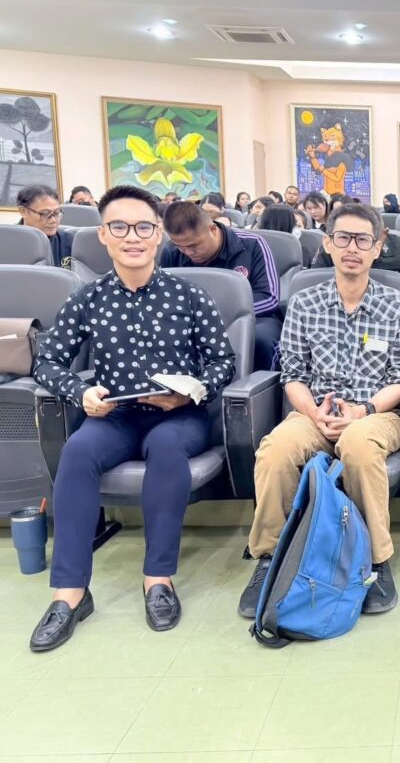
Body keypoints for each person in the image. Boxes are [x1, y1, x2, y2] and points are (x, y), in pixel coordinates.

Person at [28, 185, 235, 651]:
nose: (132, 237)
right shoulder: (89, 298)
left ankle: (158, 580)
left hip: (178, 417)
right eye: (119, 227)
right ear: (103, 235)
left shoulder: (189, 296)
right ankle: (69, 594)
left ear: (158, 233)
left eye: (143, 227)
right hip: (115, 416)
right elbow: (47, 362)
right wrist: (81, 392)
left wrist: (188, 393)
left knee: (165, 448)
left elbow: (223, 362)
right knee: (77, 452)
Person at [238, 203, 400, 619]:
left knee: (359, 446)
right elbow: (293, 374)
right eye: (343, 238)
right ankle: (269, 557)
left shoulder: (396, 305)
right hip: (314, 412)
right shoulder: (305, 303)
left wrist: (364, 409)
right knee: (276, 450)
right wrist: (313, 413)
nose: (352, 248)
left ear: (377, 248)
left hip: (375, 413)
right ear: (327, 244)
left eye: (362, 240)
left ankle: (375, 561)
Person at [161, 201, 282, 371]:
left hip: (253, 318)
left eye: (193, 245)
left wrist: (214, 315)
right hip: (191, 320)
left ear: (212, 229)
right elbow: (165, 298)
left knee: (261, 339)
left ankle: (261, 386)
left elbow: (269, 298)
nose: (187, 252)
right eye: (179, 246)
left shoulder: (252, 244)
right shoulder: (171, 251)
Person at [17, 184, 72, 266]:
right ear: (23, 211)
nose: (53, 220)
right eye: (45, 213)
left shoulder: (70, 243)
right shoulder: (7, 241)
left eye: (57, 213)